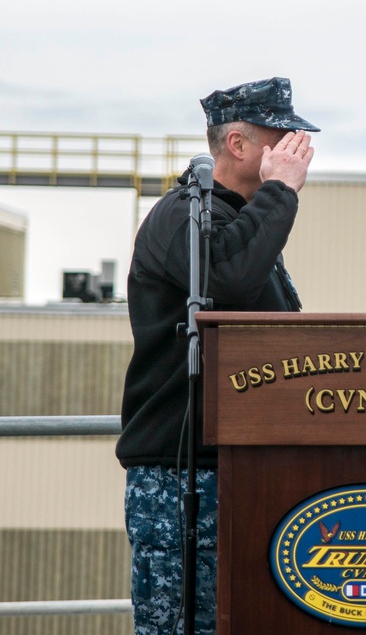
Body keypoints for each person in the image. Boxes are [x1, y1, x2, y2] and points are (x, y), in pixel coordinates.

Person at [116, 77, 319, 634]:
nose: (298, 150)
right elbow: (226, 280)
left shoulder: (240, 219)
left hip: (243, 470)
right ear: (239, 145)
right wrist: (282, 193)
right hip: (180, 477)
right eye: (282, 139)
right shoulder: (184, 214)